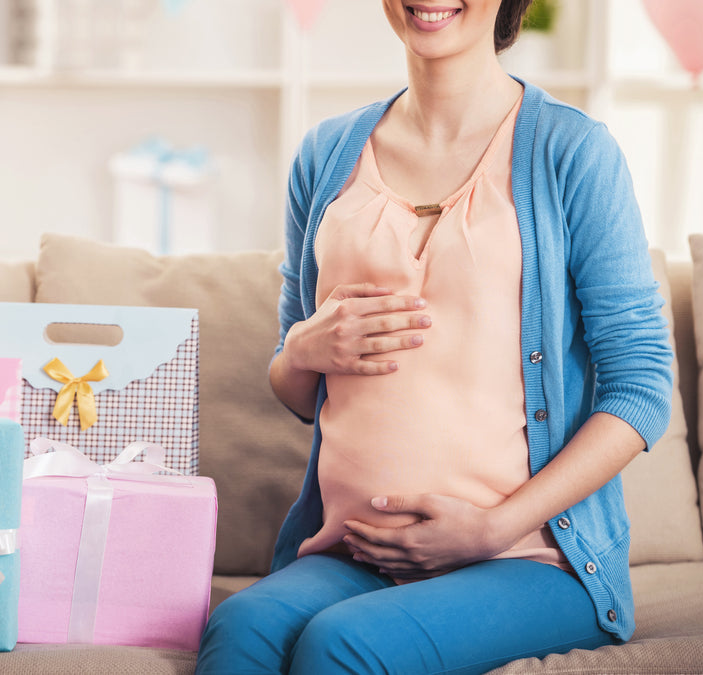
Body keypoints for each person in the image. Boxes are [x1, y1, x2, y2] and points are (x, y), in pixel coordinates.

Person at [196, 1, 673, 673]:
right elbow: (301, 391)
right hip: (355, 553)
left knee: (340, 644)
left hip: (530, 558)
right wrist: (302, 349)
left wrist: (492, 526)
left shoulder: (574, 152)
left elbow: (642, 386)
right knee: (240, 625)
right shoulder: (326, 155)